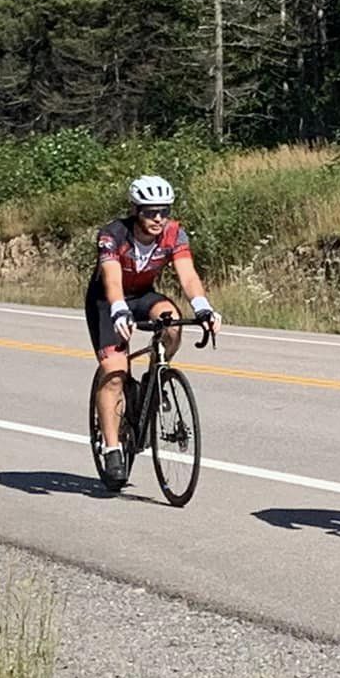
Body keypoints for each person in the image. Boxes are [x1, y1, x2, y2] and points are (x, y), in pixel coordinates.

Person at [88, 175, 219, 486]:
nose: (158, 218)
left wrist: (202, 306)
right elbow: (111, 278)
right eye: (150, 212)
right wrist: (119, 308)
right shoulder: (112, 235)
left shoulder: (174, 234)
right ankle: (112, 448)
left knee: (172, 321)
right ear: (136, 210)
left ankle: (155, 375)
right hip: (107, 300)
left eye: (163, 211)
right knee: (115, 372)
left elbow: (187, 275)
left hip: (144, 295)